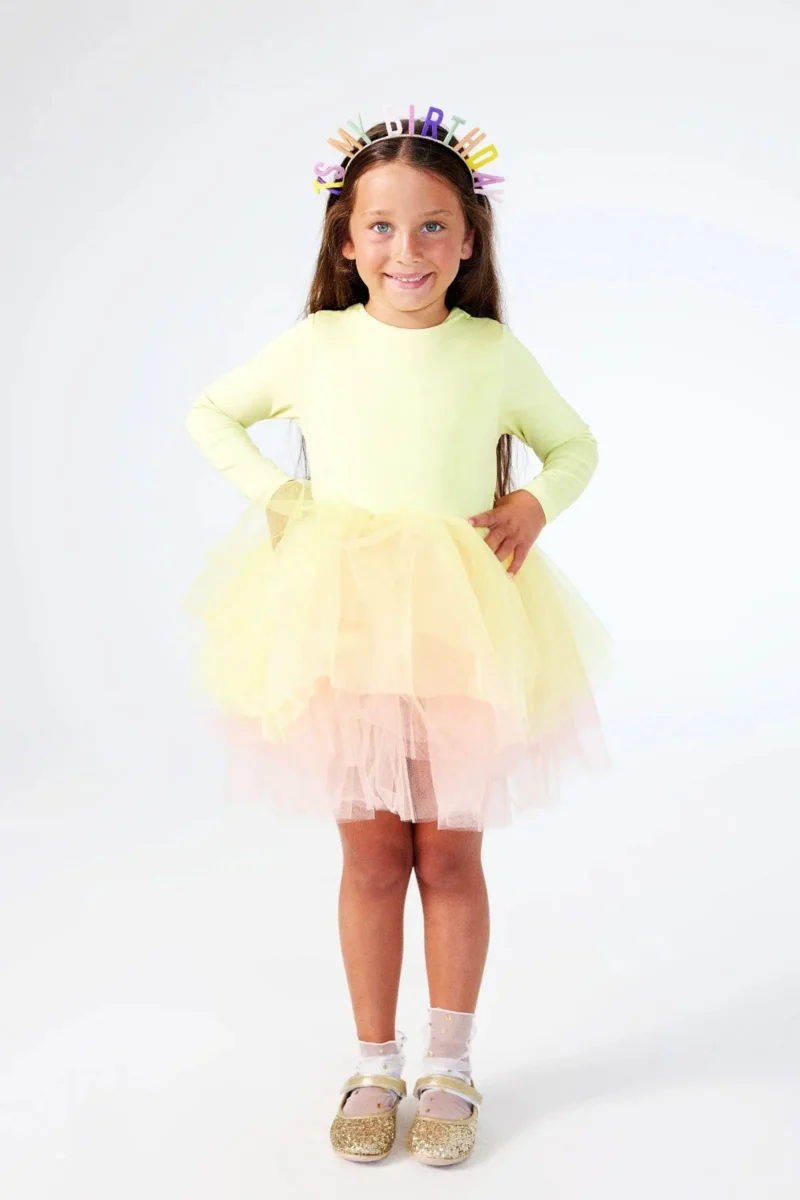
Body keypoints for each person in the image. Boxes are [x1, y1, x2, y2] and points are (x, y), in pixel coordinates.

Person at [182, 106, 614, 1167]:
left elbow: (573, 444)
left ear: (467, 241)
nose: (405, 249)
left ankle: (448, 1067)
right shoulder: (318, 344)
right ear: (346, 241)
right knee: (373, 855)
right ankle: (374, 1062)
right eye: (380, 226)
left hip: (465, 624)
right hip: (347, 622)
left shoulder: (489, 351)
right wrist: (282, 499)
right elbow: (211, 413)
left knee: (450, 850)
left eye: (431, 227)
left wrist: (534, 504)